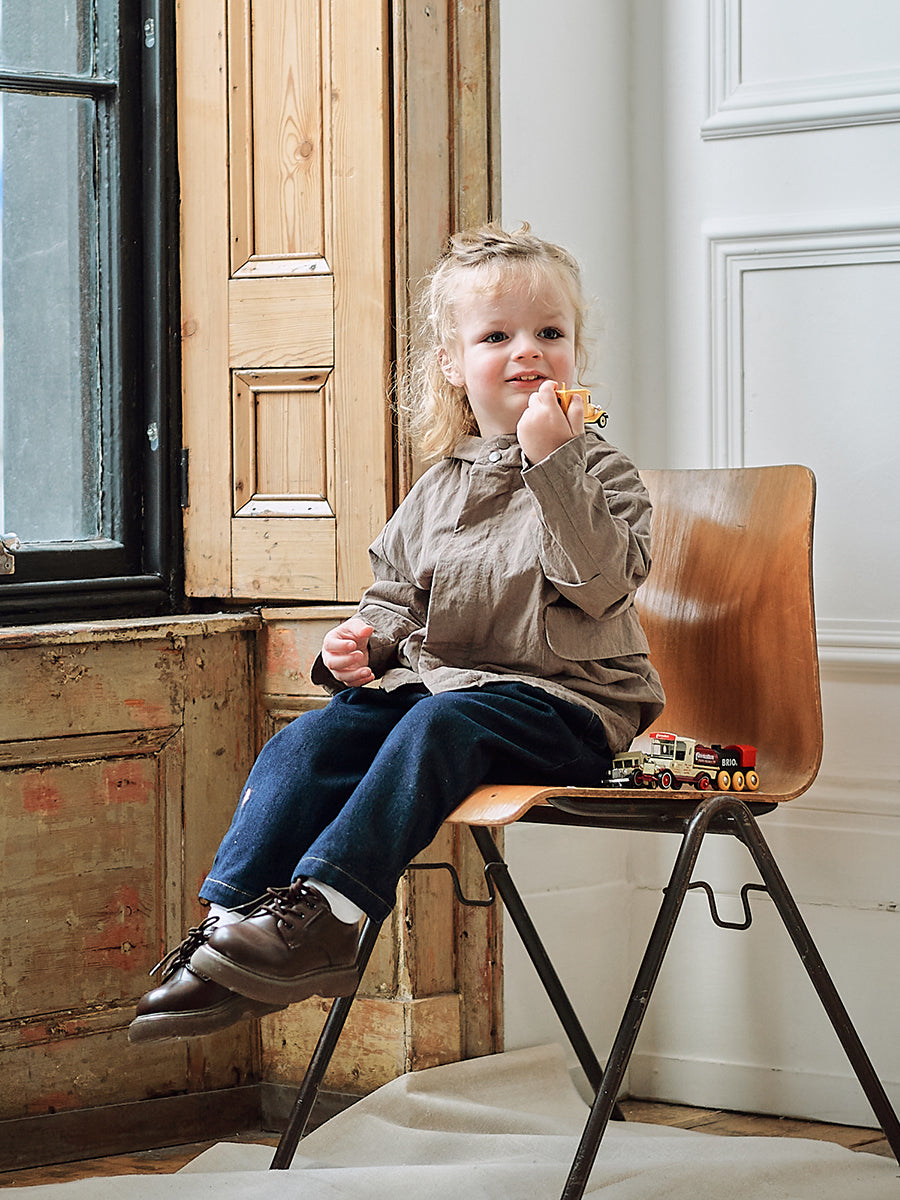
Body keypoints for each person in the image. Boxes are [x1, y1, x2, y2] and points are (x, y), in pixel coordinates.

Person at [128, 223, 665, 1044]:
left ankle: (330, 916)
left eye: (550, 333)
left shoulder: (602, 471)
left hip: (569, 708)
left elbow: (600, 583)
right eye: (497, 336)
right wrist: (364, 642)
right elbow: (394, 597)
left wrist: (553, 463)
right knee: (313, 739)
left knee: (440, 722)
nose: (528, 351)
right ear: (453, 365)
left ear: (575, 354)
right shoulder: (439, 486)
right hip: (448, 695)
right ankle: (231, 930)